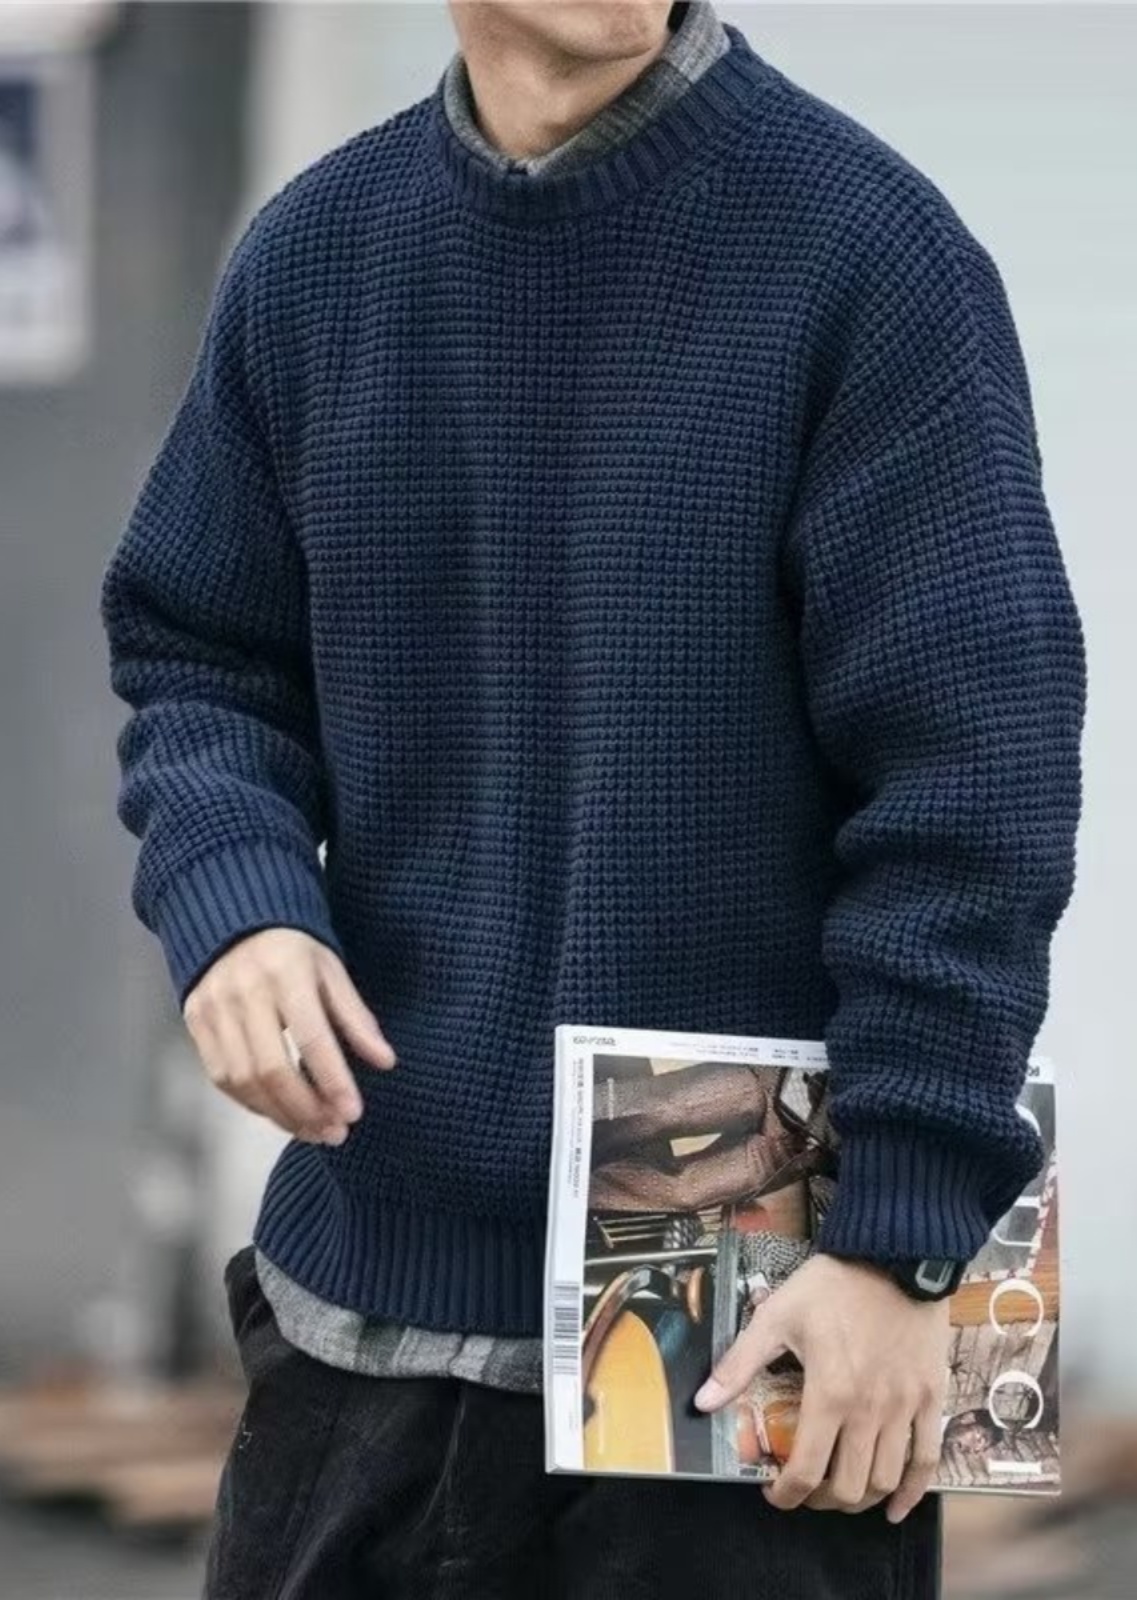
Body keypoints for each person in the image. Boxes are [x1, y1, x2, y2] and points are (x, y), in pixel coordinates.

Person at [98, 2, 1086, 1595]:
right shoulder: (316, 258)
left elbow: (978, 786)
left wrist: (902, 1243)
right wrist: (239, 902)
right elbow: (203, 652)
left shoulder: (868, 255)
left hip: (759, 1300)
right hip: (374, 1289)